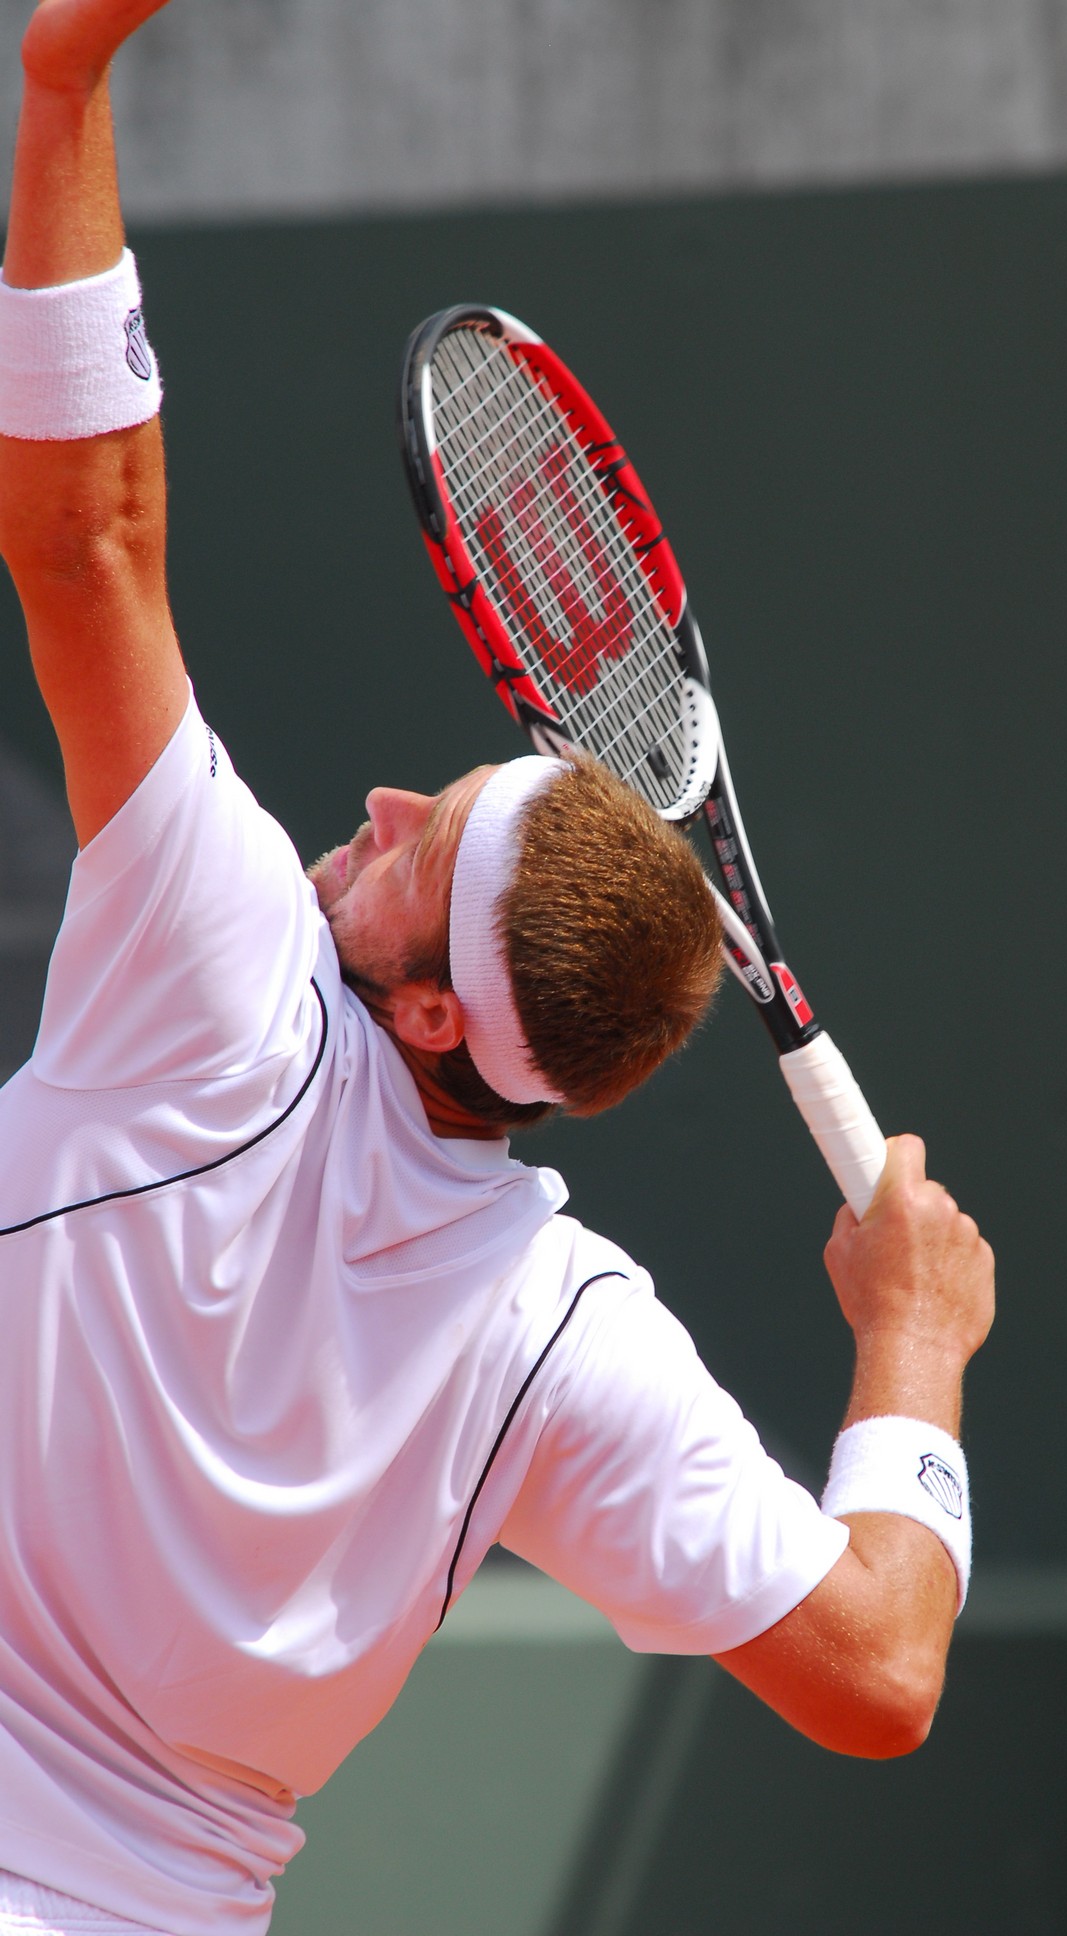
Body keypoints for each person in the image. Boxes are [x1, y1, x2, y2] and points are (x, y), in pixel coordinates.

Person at [0, 2, 995, 1933]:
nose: (371, 804)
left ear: (438, 1008)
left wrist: (57, 88)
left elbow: (93, 541)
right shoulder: (564, 1337)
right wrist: (916, 1342)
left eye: (413, 842)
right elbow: (883, 1672)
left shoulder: (223, 985)